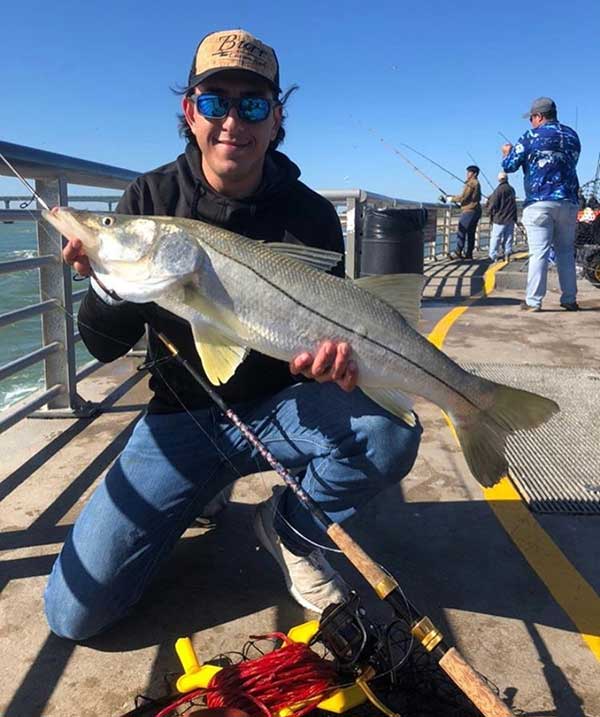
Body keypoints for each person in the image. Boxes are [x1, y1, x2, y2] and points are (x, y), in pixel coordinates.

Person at [44, 28, 422, 641]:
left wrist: (336, 365)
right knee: (74, 614)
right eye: (215, 102)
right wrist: (108, 284)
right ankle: (199, 490)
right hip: (182, 419)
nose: (232, 123)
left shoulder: (311, 215)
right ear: (190, 112)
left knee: (390, 430)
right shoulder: (150, 198)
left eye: (252, 105)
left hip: (284, 408)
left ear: (276, 120)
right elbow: (102, 347)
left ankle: (291, 529)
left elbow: (338, 330)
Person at [501, 97, 581, 312]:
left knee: (539, 253)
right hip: (569, 200)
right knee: (565, 251)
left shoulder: (530, 136)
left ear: (539, 116)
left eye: (532, 118)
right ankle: (569, 298)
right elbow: (571, 161)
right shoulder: (572, 135)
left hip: (539, 201)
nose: (531, 122)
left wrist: (507, 152)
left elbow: (509, 166)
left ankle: (534, 301)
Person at [445, 166, 482, 260]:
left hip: (469, 211)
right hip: (475, 210)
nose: (467, 174)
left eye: (469, 172)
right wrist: (453, 198)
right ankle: (469, 254)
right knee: (471, 233)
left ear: (475, 173)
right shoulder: (477, 183)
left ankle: (458, 251)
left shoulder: (472, 183)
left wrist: (451, 199)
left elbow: (463, 197)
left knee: (461, 231)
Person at [486, 172, 517, 262]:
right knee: (508, 237)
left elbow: (493, 203)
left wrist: (488, 212)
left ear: (499, 179)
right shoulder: (512, 189)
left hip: (500, 218)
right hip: (510, 217)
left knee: (496, 237)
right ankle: (507, 253)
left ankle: (493, 255)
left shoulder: (498, 190)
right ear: (507, 179)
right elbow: (513, 204)